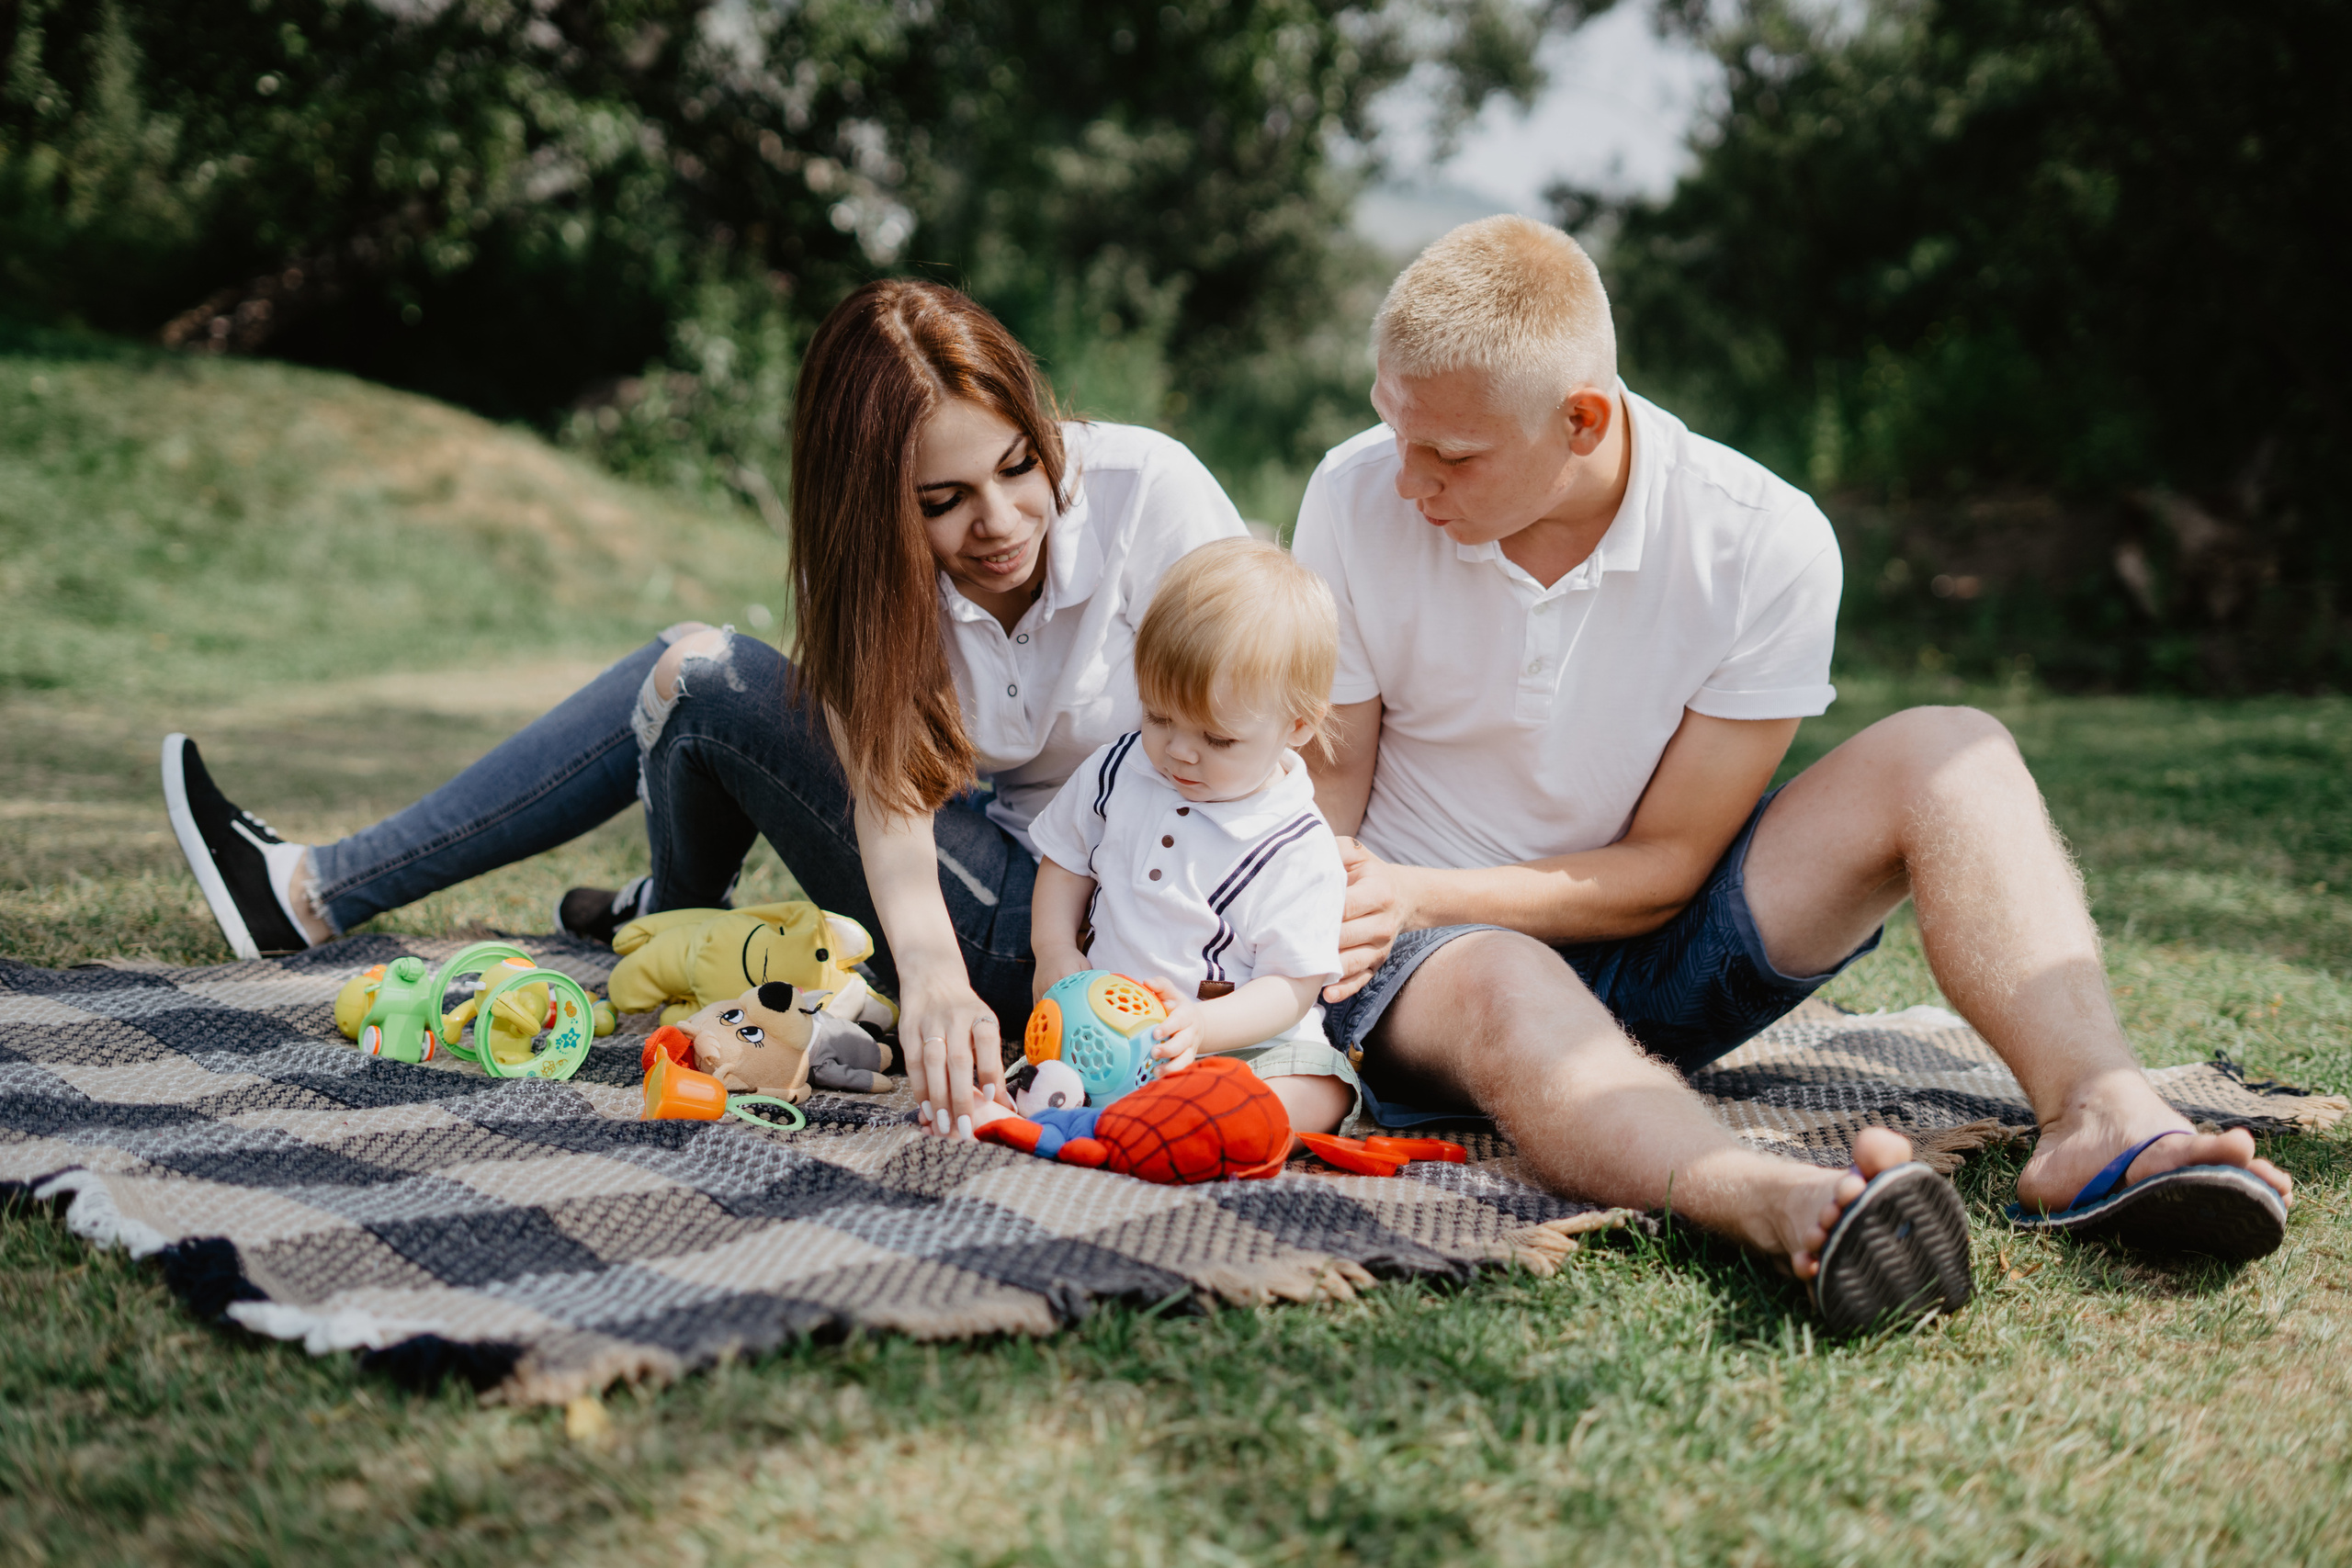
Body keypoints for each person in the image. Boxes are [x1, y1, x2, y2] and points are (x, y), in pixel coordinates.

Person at [1287, 214, 2293, 1320]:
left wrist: (1423, 887)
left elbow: (1671, 865)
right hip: (1425, 966)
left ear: (1581, 420)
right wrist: (1330, 943)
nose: (1404, 479)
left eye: (1451, 455)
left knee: (1953, 746)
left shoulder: (1763, 540)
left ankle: (2102, 1117)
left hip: (1651, 942)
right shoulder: (1352, 497)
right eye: (1393, 432)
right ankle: (1776, 1202)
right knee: (1501, 972)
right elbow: (1328, 806)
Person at [162, 279, 1250, 1131]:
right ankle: (649, 932)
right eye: (943, 502)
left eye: (1020, 468)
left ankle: (633, 923)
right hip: (978, 904)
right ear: (874, 506)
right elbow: (894, 794)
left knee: (701, 674)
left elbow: (1269, 691)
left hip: (1107, 945)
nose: (1002, 521)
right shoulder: (870, 574)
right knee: (697, 671)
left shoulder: (1147, 494)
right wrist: (929, 975)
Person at [1025, 536, 1355, 1134]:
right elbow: (1066, 859)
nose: (1178, 751)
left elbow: (1291, 986)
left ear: (1298, 725)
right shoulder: (1118, 769)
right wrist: (1053, 949)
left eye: (1217, 739)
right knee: (1046, 1062)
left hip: (1240, 1047)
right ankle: (1123, 1112)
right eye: (1158, 716)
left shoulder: (1296, 845)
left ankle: (1198, 1123)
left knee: (1319, 1083)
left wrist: (1204, 1028)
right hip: (1104, 1030)